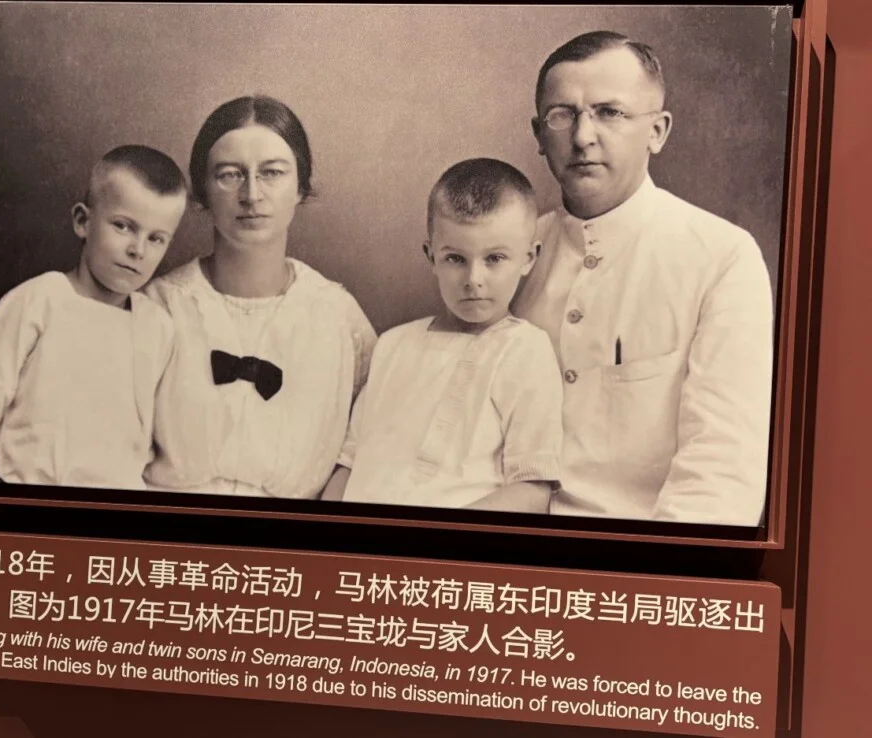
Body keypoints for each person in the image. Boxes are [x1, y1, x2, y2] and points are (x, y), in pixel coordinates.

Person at [511, 30, 774, 526]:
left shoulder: (721, 257)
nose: (584, 136)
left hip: (637, 566)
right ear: (539, 134)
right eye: (562, 115)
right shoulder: (512, 259)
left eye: (610, 112)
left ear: (658, 130)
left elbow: (721, 476)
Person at [144, 95, 376, 499]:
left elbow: (372, 443)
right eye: (230, 174)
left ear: (301, 187)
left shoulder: (339, 317)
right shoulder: (159, 308)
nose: (252, 194)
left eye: (272, 173)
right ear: (200, 192)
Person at [323, 158, 563, 512]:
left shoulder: (526, 350)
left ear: (529, 258)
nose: (474, 279)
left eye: (495, 258)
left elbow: (532, 490)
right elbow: (349, 463)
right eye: (456, 259)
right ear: (431, 255)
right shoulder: (393, 344)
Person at [0, 144, 188, 488]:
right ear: (83, 221)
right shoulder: (39, 301)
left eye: (156, 238)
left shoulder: (158, 327)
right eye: (123, 226)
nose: (138, 250)